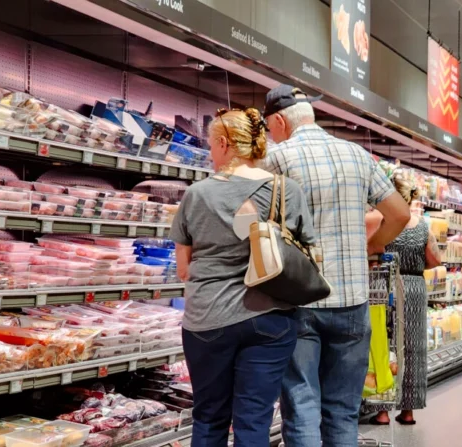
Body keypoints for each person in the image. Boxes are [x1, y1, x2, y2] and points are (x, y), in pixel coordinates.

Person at [262, 85, 411, 447]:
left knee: (302, 408)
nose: (270, 135)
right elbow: (401, 213)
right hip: (353, 302)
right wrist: (372, 245)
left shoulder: (277, 158)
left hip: (300, 301)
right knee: (343, 411)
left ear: (280, 121)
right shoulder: (357, 154)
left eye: (269, 128)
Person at [171, 107, 318, 446]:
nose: (210, 153)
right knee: (254, 421)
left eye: (210, 145)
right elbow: (307, 246)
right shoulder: (287, 191)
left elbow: (183, 268)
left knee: (208, 417)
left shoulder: (197, 194)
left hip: (207, 321)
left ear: (223, 144)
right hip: (269, 317)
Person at [364, 170, 442, 425]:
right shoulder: (421, 224)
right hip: (414, 286)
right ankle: (408, 410)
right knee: (411, 348)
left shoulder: (378, 219)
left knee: (383, 345)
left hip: (382, 285)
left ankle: (383, 409)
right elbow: (435, 260)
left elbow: (366, 249)